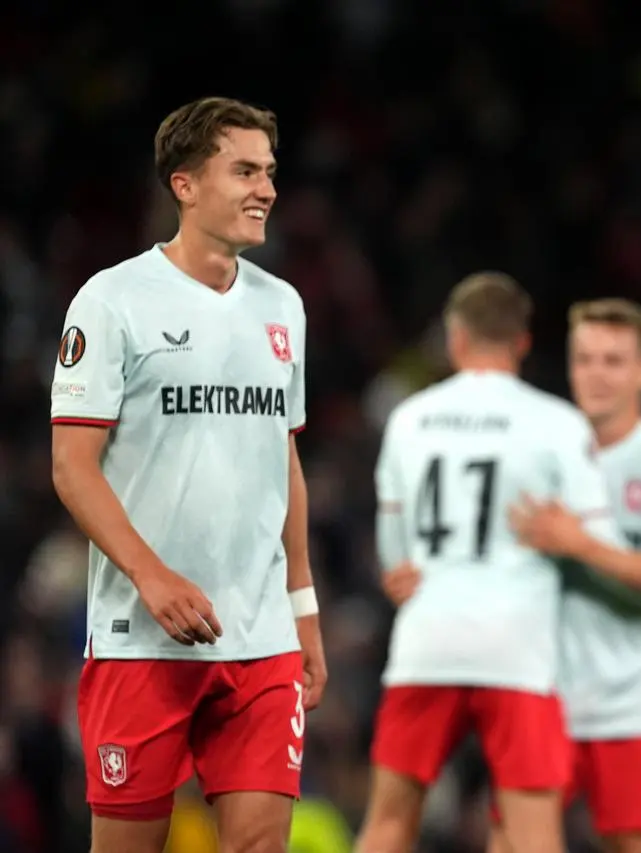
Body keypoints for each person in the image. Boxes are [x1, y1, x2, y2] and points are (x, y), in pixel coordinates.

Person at [49, 97, 326, 853]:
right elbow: (72, 468)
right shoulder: (112, 300)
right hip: (142, 640)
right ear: (185, 185)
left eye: (269, 171)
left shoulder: (284, 306)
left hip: (260, 633)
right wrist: (152, 576)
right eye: (243, 170)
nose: (266, 188)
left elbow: (285, 458)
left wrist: (300, 603)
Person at [357, 273, 618, 853]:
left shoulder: (410, 418)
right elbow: (597, 541)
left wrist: (402, 573)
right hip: (518, 646)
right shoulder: (556, 422)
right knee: (532, 832)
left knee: (390, 821)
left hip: (427, 638)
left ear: (455, 339)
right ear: (522, 342)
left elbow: (392, 547)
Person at [490, 299, 641, 853]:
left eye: (613, 361)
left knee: (637, 844)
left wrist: (580, 546)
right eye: (585, 359)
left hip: (629, 699)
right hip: (538, 697)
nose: (596, 374)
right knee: (508, 841)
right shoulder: (534, 454)